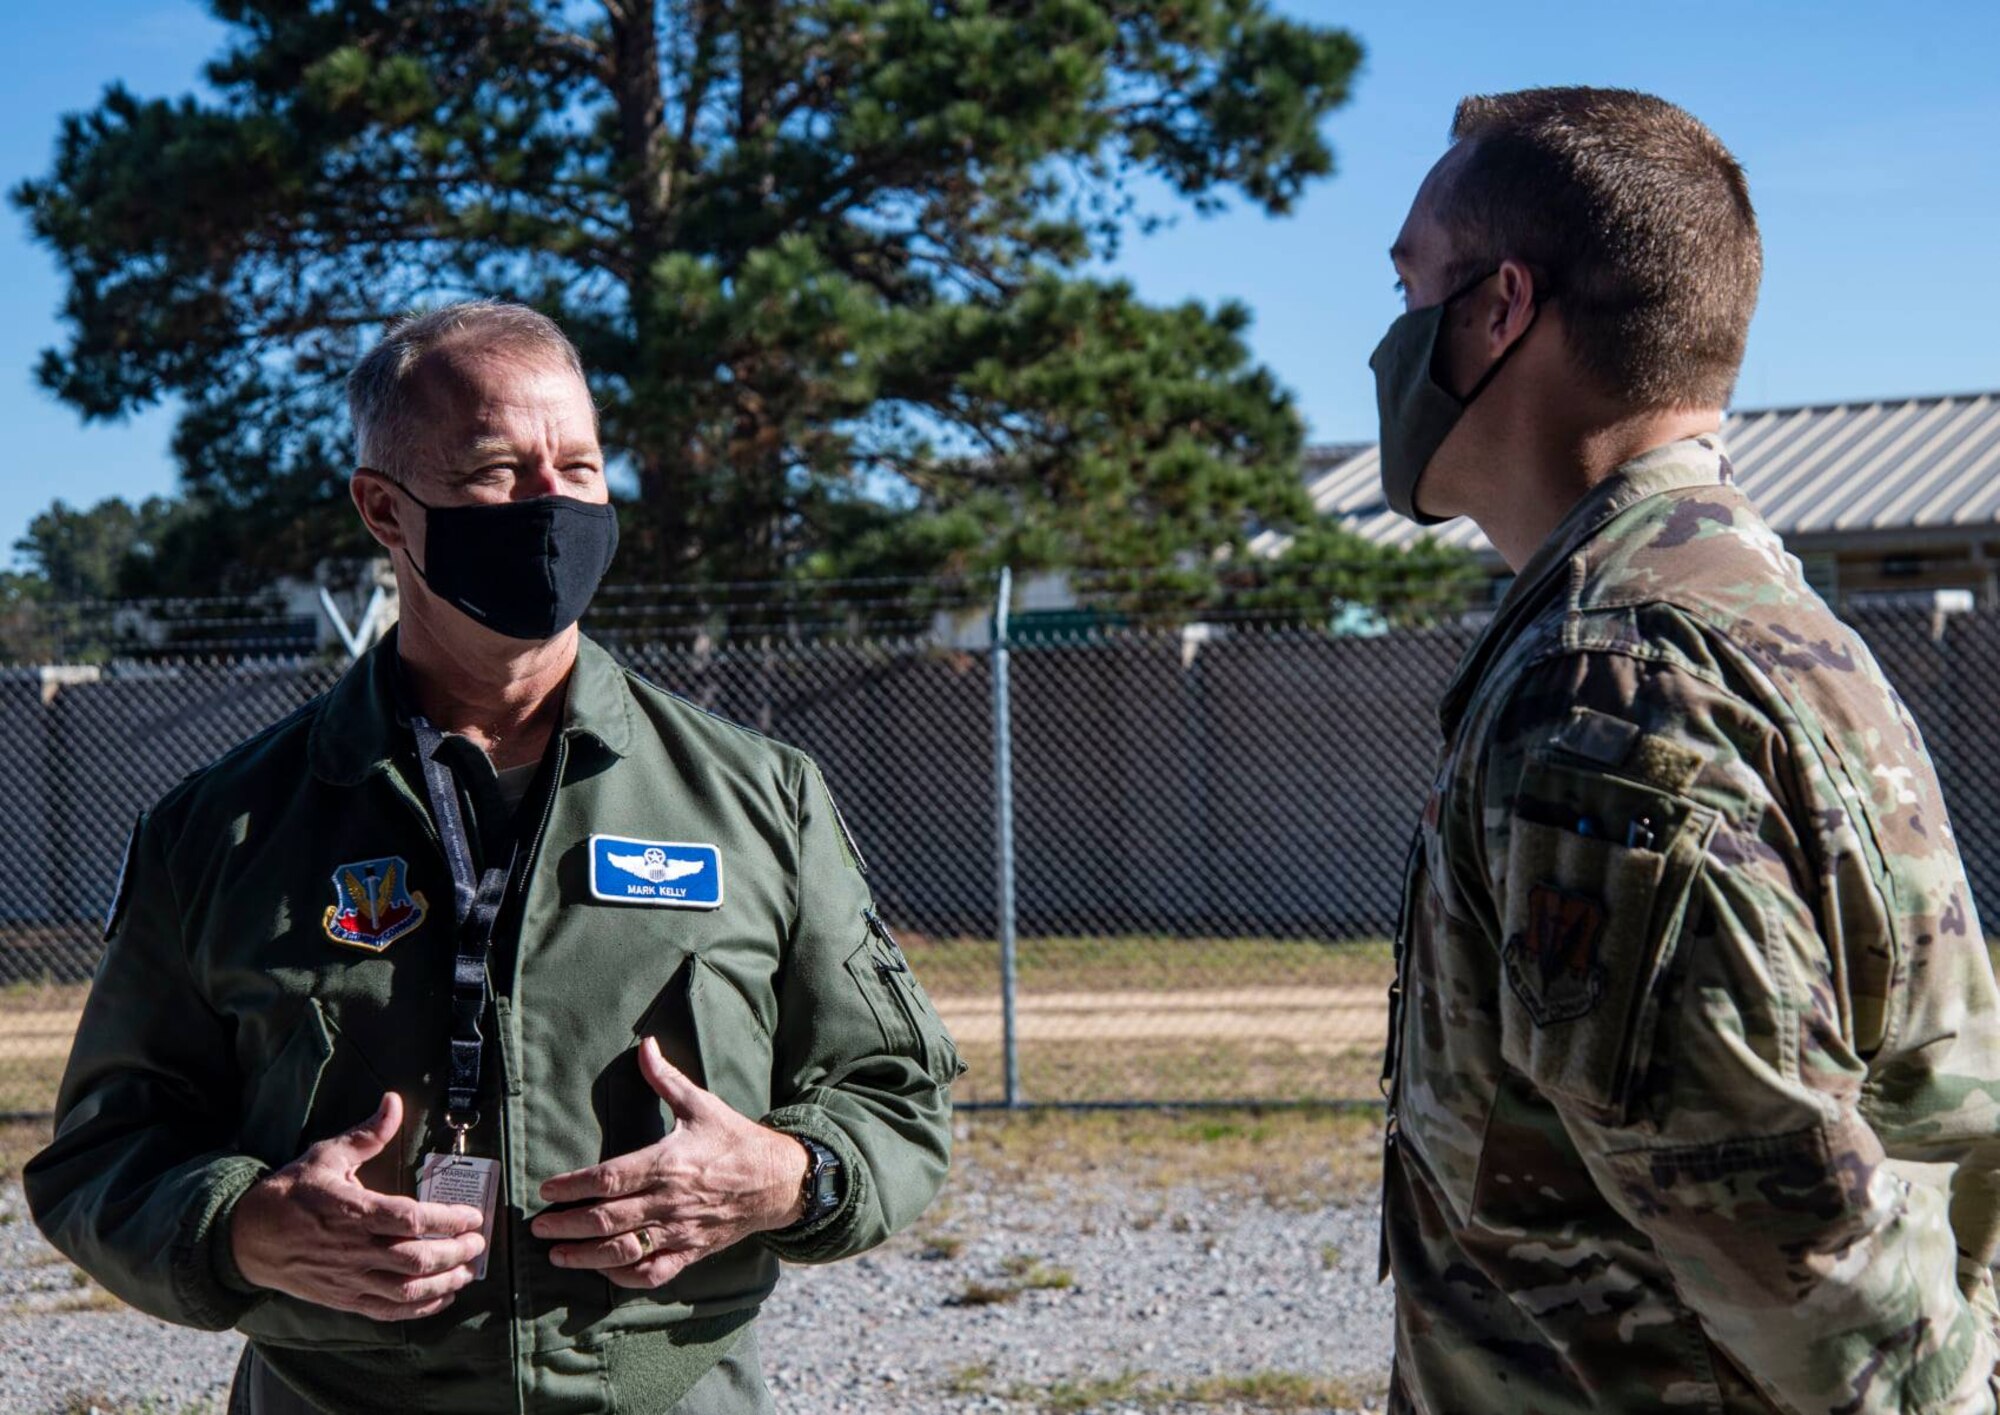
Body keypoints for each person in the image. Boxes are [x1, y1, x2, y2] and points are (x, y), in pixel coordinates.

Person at [27, 300, 963, 1414]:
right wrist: (243, 1225)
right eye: (496, 472)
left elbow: (894, 1096)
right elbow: (101, 1154)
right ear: (384, 508)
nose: (551, 504)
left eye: (578, 465)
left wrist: (788, 1176)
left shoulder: (760, 797)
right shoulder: (223, 828)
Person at [1372, 87, 2000, 1412]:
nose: (1388, 340)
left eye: (1409, 282)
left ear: (1498, 310)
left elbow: (1806, 1271)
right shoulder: (1749, 613)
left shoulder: (1611, 687)